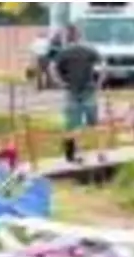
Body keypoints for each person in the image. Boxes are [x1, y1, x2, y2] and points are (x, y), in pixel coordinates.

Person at [53, 24, 102, 164]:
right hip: (88, 89)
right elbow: (103, 66)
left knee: (72, 124)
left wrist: (60, 83)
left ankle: (73, 155)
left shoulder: (63, 53)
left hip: (71, 90)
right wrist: (99, 82)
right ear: (79, 36)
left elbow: (52, 68)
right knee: (94, 124)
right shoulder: (89, 50)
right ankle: (100, 153)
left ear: (67, 37)